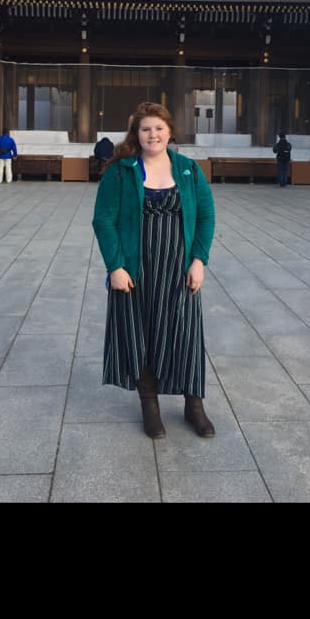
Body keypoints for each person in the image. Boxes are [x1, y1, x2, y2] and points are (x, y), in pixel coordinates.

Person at [92, 101, 216, 440]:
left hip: (179, 272)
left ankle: (194, 406)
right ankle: (150, 405)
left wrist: (199, 260)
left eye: (159, 128)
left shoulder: (189, 170)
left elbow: (206, 217)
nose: (153, 134)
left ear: (170, 132)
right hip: (136, 273)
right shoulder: (121, 171)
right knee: (141, 336)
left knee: (187, 336)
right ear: (137, 134)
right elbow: (103, 220)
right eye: (146, 129)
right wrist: (116, 266)